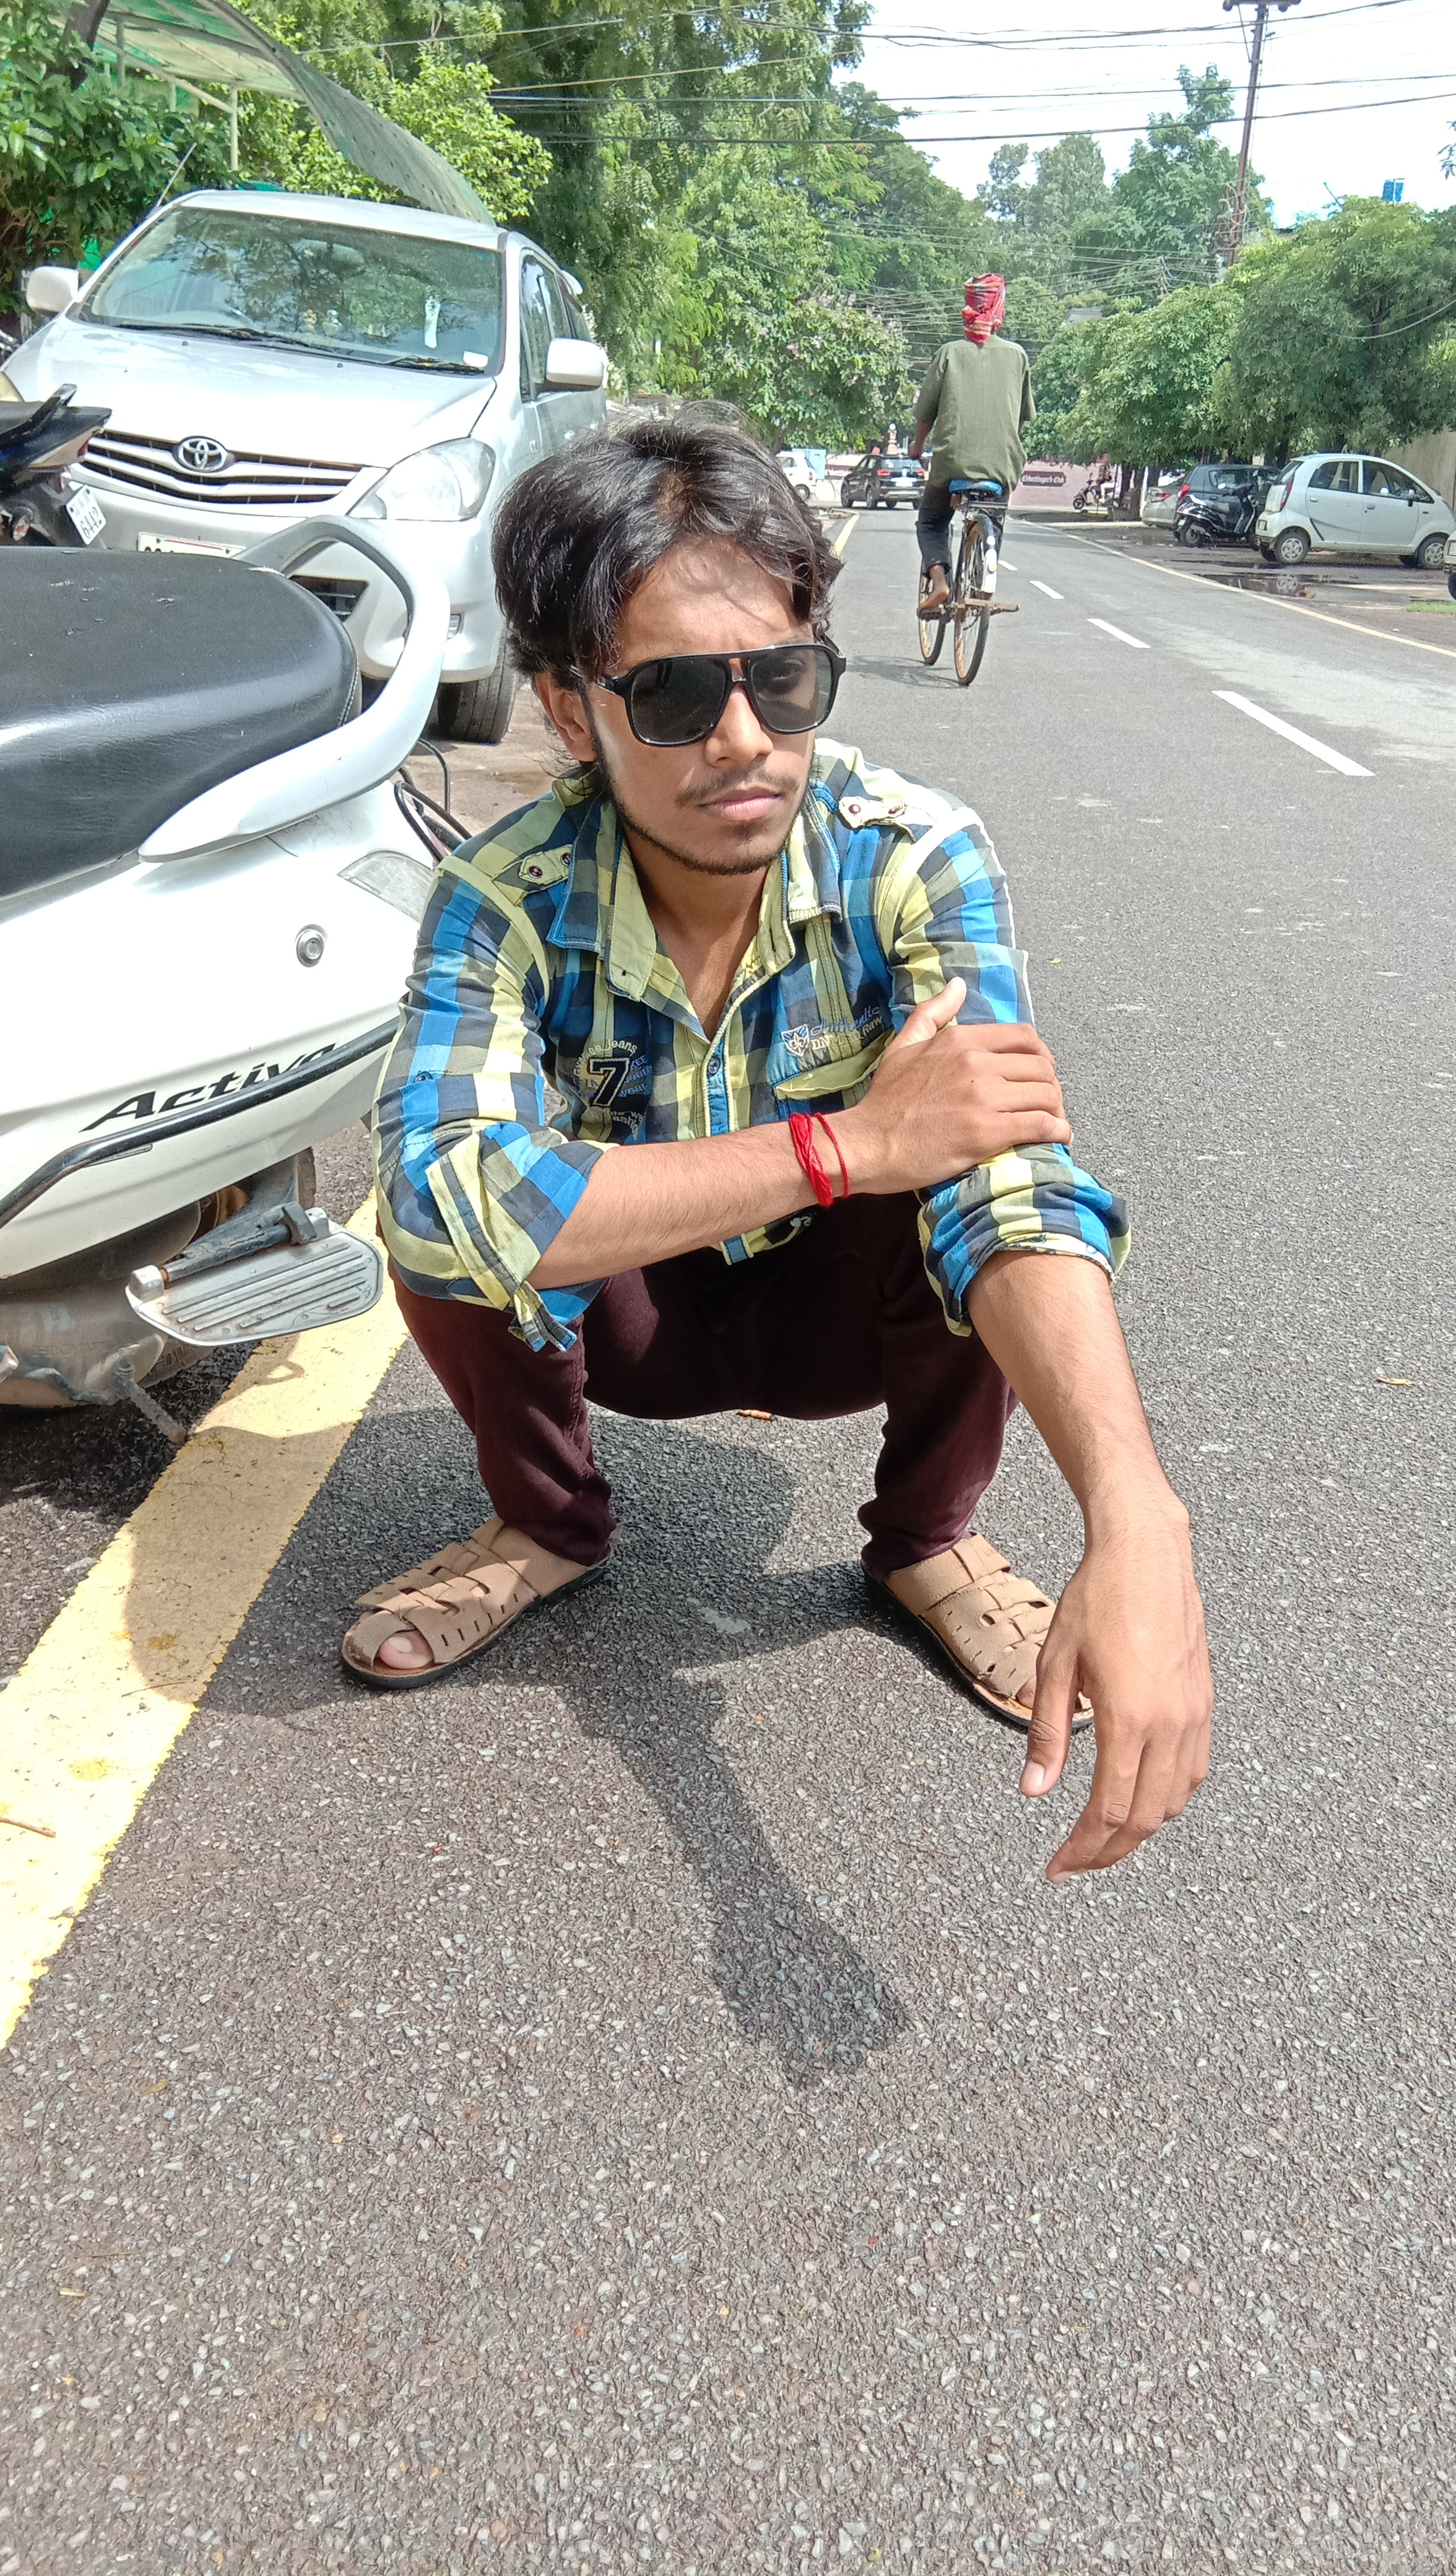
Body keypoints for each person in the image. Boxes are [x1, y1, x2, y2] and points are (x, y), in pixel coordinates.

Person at [344, 417, 1211, 1884]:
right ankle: (546, 1522)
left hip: (837, 1316)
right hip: (628, 1321)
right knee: (457, 1214)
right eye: (676, 695)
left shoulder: (913, 853)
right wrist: (848, 1143)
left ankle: (930, 1537)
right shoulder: (504, 896)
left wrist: (1136, 1514)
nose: (746, 740)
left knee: (971, 1159)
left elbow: (1016, 1185)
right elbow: (438, 1196)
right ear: (569, 710)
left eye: (784, 681)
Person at [909, 275, 1034, 615]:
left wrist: (917, 446)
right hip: (1002, 464)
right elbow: (1021, 419)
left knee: (931, 521)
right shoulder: (1018, 356)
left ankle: (940, 581)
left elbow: (926, 412)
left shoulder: (949, 353)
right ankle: (983, 581)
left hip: (952, 462)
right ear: (1000, 309)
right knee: (995, 518)